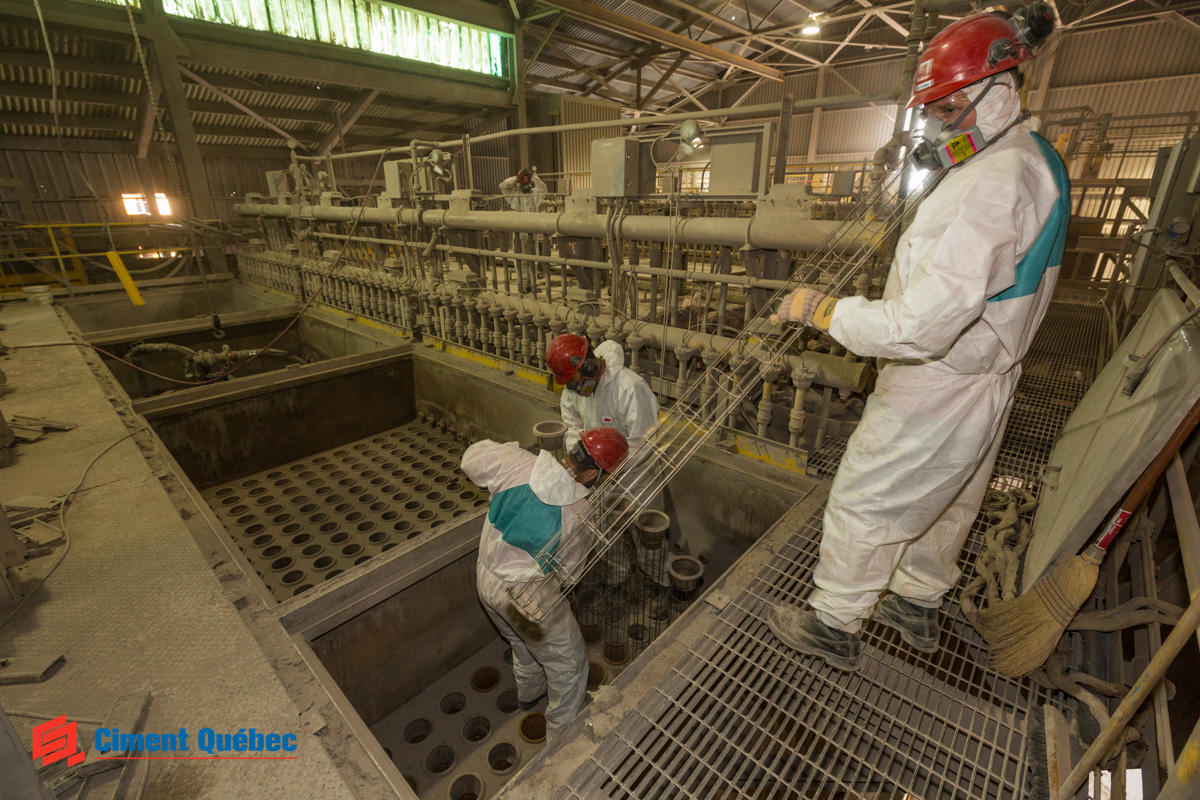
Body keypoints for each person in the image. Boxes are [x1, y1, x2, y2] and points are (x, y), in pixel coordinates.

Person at [766, 8, 1068, 671]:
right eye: (937, 108)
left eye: (951, 105)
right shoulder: (1033, 155)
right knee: (953, 495)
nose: (942, 121)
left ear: (998, 87)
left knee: (866, 499)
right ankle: (915, 603)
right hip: (991, 376)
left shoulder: (986, 189)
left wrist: (821, 310)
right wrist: (946, 155)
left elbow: (920, 326)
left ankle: (834, 625)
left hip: (939, 373)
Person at [462, 426, 629, 739]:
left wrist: (514, 448)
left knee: (521, 644)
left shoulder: (517, 461)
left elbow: (471, 459)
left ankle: (528, 696)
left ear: (573, 450)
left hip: (485, 577)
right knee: (570, 665)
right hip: (528, 598)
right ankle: (559, 741)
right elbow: (569, 574)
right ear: (594, 477)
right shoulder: (579, 513)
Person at [545, 333, 659, 456]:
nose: (573, 387)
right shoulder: (572, 391)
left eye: (573, 378)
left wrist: (602, 464)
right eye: (568, 382)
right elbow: (573, 426)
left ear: (588, 367)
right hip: (597, 469)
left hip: (632, 471)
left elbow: (643, 444)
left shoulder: (630, 388)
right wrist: (580, 457)